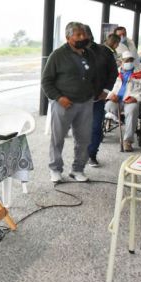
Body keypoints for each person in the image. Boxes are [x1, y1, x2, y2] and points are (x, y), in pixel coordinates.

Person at [42, 21, 97, 183]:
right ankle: (55, 169)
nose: (83, 37)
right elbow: (46, 81)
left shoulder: (89, 54)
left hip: (85, 103)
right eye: (78, 35)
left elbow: (93, 76)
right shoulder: (58, 55)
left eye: (84, 34)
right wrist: (59, 98)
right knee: (58, 138)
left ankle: (78, 169)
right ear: (68, 38)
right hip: (63, 103)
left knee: (84, 139)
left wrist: (95, 93)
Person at [84, 25, 118, 167]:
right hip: (78, 99)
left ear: (90, 35)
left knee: (96, 127)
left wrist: (106, 90)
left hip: (98, 98)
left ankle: (92, 154)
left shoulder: (104, 52)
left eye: (83, 34)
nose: (80, 38)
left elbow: (113, 72)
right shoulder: (70, 53)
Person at [105, 51, 141, 152]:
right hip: (116, 100)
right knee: (107, 106)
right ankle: (118, 118)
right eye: (126, 60)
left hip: (131, 100)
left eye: (131, 60)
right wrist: (110, 95)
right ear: (121, 61)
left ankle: (127, 141)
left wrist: (136, 98)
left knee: (132, 111)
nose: (129, 62)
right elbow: (106, 87)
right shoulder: (114, 73)